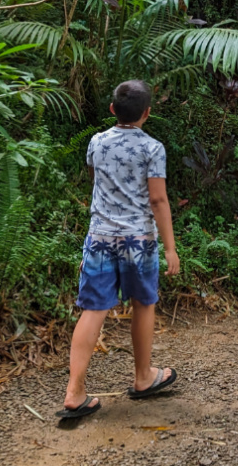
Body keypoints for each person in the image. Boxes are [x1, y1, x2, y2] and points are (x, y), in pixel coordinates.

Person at [58, 80, 180, 419]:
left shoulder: (97, 142)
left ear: (112, 110)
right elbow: (157, 198)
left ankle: (75, 392)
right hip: (138, 240)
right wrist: (170, 248)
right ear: (147, 113)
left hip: (99, 238)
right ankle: (143, 378)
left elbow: (98, 179)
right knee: (143, 303)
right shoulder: (153, 148)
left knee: (93, 308)